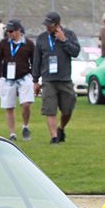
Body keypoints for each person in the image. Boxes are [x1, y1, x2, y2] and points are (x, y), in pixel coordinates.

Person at [32, 12, 80, 144]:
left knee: (68, 109)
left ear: (58, 24)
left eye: (50, 25)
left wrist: (64, 40)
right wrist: (35, 81)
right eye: (46, 25)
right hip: (48, 80)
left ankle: (61, 128)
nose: (47, 27)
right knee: (50, 109)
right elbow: (36, 60)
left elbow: (75, 52)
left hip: (64, 79)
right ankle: (54, 137)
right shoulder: (41, 38)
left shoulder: (69, 35)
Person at [0, 19, 35, 142]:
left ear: (18, 31)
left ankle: (25, 125)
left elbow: (34, 61)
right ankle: (12, 133)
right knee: (9, 106)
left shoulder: (28, 44)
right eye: (7, 31)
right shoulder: (3, 43)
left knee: (26, 104)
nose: (9, 34)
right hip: (8, 78)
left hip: (24, 76)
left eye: (11, 31)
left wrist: (34, 76)